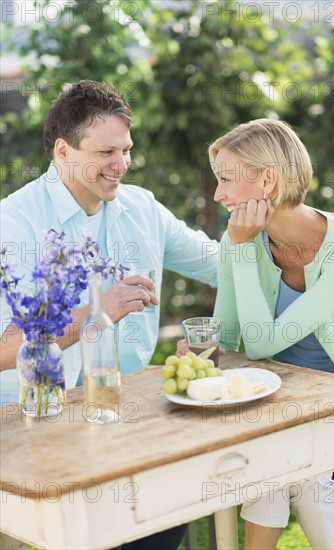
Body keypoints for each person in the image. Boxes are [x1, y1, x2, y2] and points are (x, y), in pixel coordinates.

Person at [0, 80, 219, 550]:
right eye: (105, 152)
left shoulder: (141, 207)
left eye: (126, 150)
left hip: (127, 417)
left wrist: (276, 231)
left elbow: (219, 263)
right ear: (63, 151)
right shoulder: (13, 223)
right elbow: (5, 347)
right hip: (31, 427)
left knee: (179, 497)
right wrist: (99, 311)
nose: (120, 164)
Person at [178, 118, 334, 549]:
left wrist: (237, 248)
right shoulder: (243, 239)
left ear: (267, 179)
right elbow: (231, 337)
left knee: (292, 470)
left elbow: (263, 342)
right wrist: (200, 351)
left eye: (227, 179)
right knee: (272, 455)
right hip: (281, 404)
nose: (218, 195)